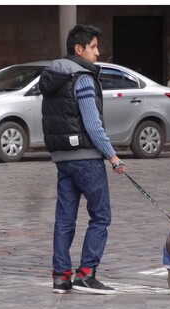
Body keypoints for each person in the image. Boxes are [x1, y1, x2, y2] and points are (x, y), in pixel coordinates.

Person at [39, 24, 126, 295]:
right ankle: (87, 274)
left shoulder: (54, 77)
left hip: (62, 159)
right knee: (101, 216)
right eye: (93, 47)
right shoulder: (82, 78)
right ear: (79, 49)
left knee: (64, 218)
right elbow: (92, 124)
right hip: (87, 159)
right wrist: (112, 156)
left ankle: (61, 277)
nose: (98, 53)